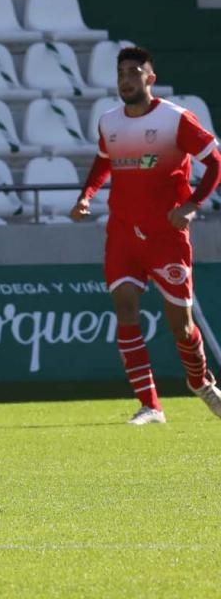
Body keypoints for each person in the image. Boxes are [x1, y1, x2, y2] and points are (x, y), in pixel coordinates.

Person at [71, 45, 221, 425]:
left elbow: (215, 161)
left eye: (135, 72)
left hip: (165, 237)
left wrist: (191, 205)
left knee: (181, 328)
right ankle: (150, 405)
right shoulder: (109, 122)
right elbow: (104, 162)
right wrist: (86, 196)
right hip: (122, 233)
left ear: (150, 78)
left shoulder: (176, 120)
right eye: (122, 73)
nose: (127, 79)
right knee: (125, 309)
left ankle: (200, 383)